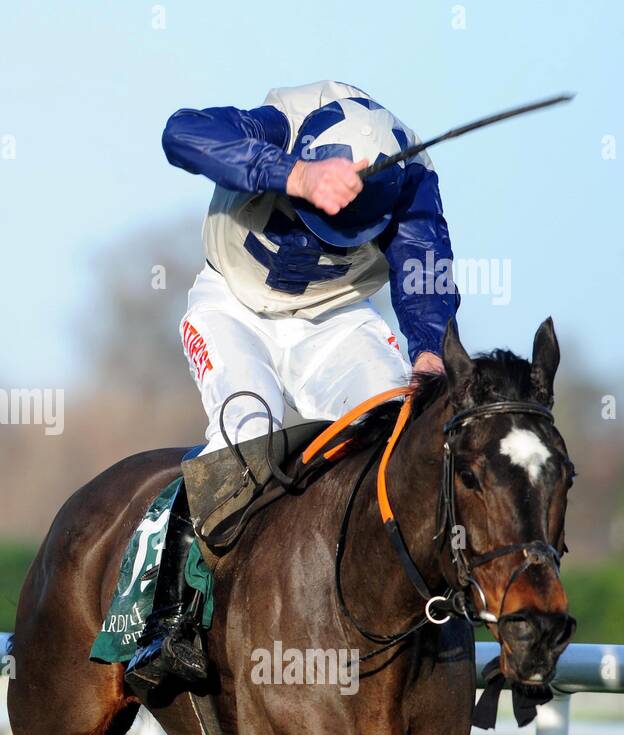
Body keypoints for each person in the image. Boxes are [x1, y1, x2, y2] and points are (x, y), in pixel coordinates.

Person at [126, 81, 459, 688]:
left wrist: (431, 350)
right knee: (248, 432)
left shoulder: (410, 176)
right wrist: (296, 176)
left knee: (397, 431)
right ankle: (171, 620)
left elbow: (424, 264)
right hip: (232, 303)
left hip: (333, 319)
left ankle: (422, 624)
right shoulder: (283, 121)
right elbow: (181, 132)